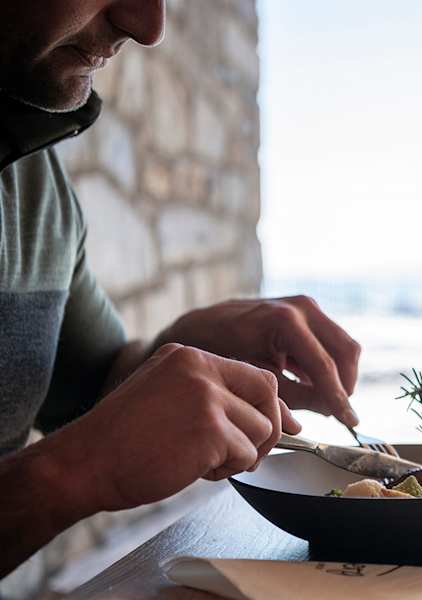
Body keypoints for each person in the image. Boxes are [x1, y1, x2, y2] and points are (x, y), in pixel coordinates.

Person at [0, 0, 362, 578]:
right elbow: (83, 450)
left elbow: (91, 387)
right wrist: (64, 477)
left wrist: (183, 351)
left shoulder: (33, 181)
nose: (148, 25)